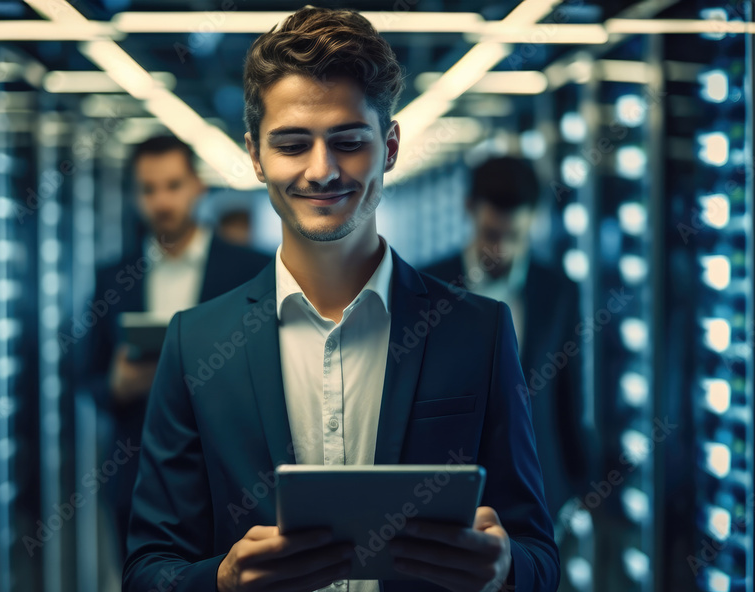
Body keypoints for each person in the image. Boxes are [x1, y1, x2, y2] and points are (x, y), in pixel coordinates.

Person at [123, 7, 558, 592]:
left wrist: (508, 569)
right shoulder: (195, 341)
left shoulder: (477, 330)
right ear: (255, 155)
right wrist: (220, 581)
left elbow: (539, 555)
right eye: (292, 144)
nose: (322, 170)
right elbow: (149, 567)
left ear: (391, 145)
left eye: (349, 141)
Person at [86, 134, 270, 562]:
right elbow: (87, 374)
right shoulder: (113, 279)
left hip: (230, 480)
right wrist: (116, 386)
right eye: (149, 189)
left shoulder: (250, 268)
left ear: (197, 187)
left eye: (173, 185)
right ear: (135, 196)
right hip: (139, 479)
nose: (162, 201)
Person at [422, 156, 593, 522]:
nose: (500, 251)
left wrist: (581, 487)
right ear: (470, 209)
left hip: (541, 493)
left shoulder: (559, 292)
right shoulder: (426, 288)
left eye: (512, 237)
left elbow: (570, 396)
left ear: (532, 220)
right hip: (450, 497)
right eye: (491, 235)